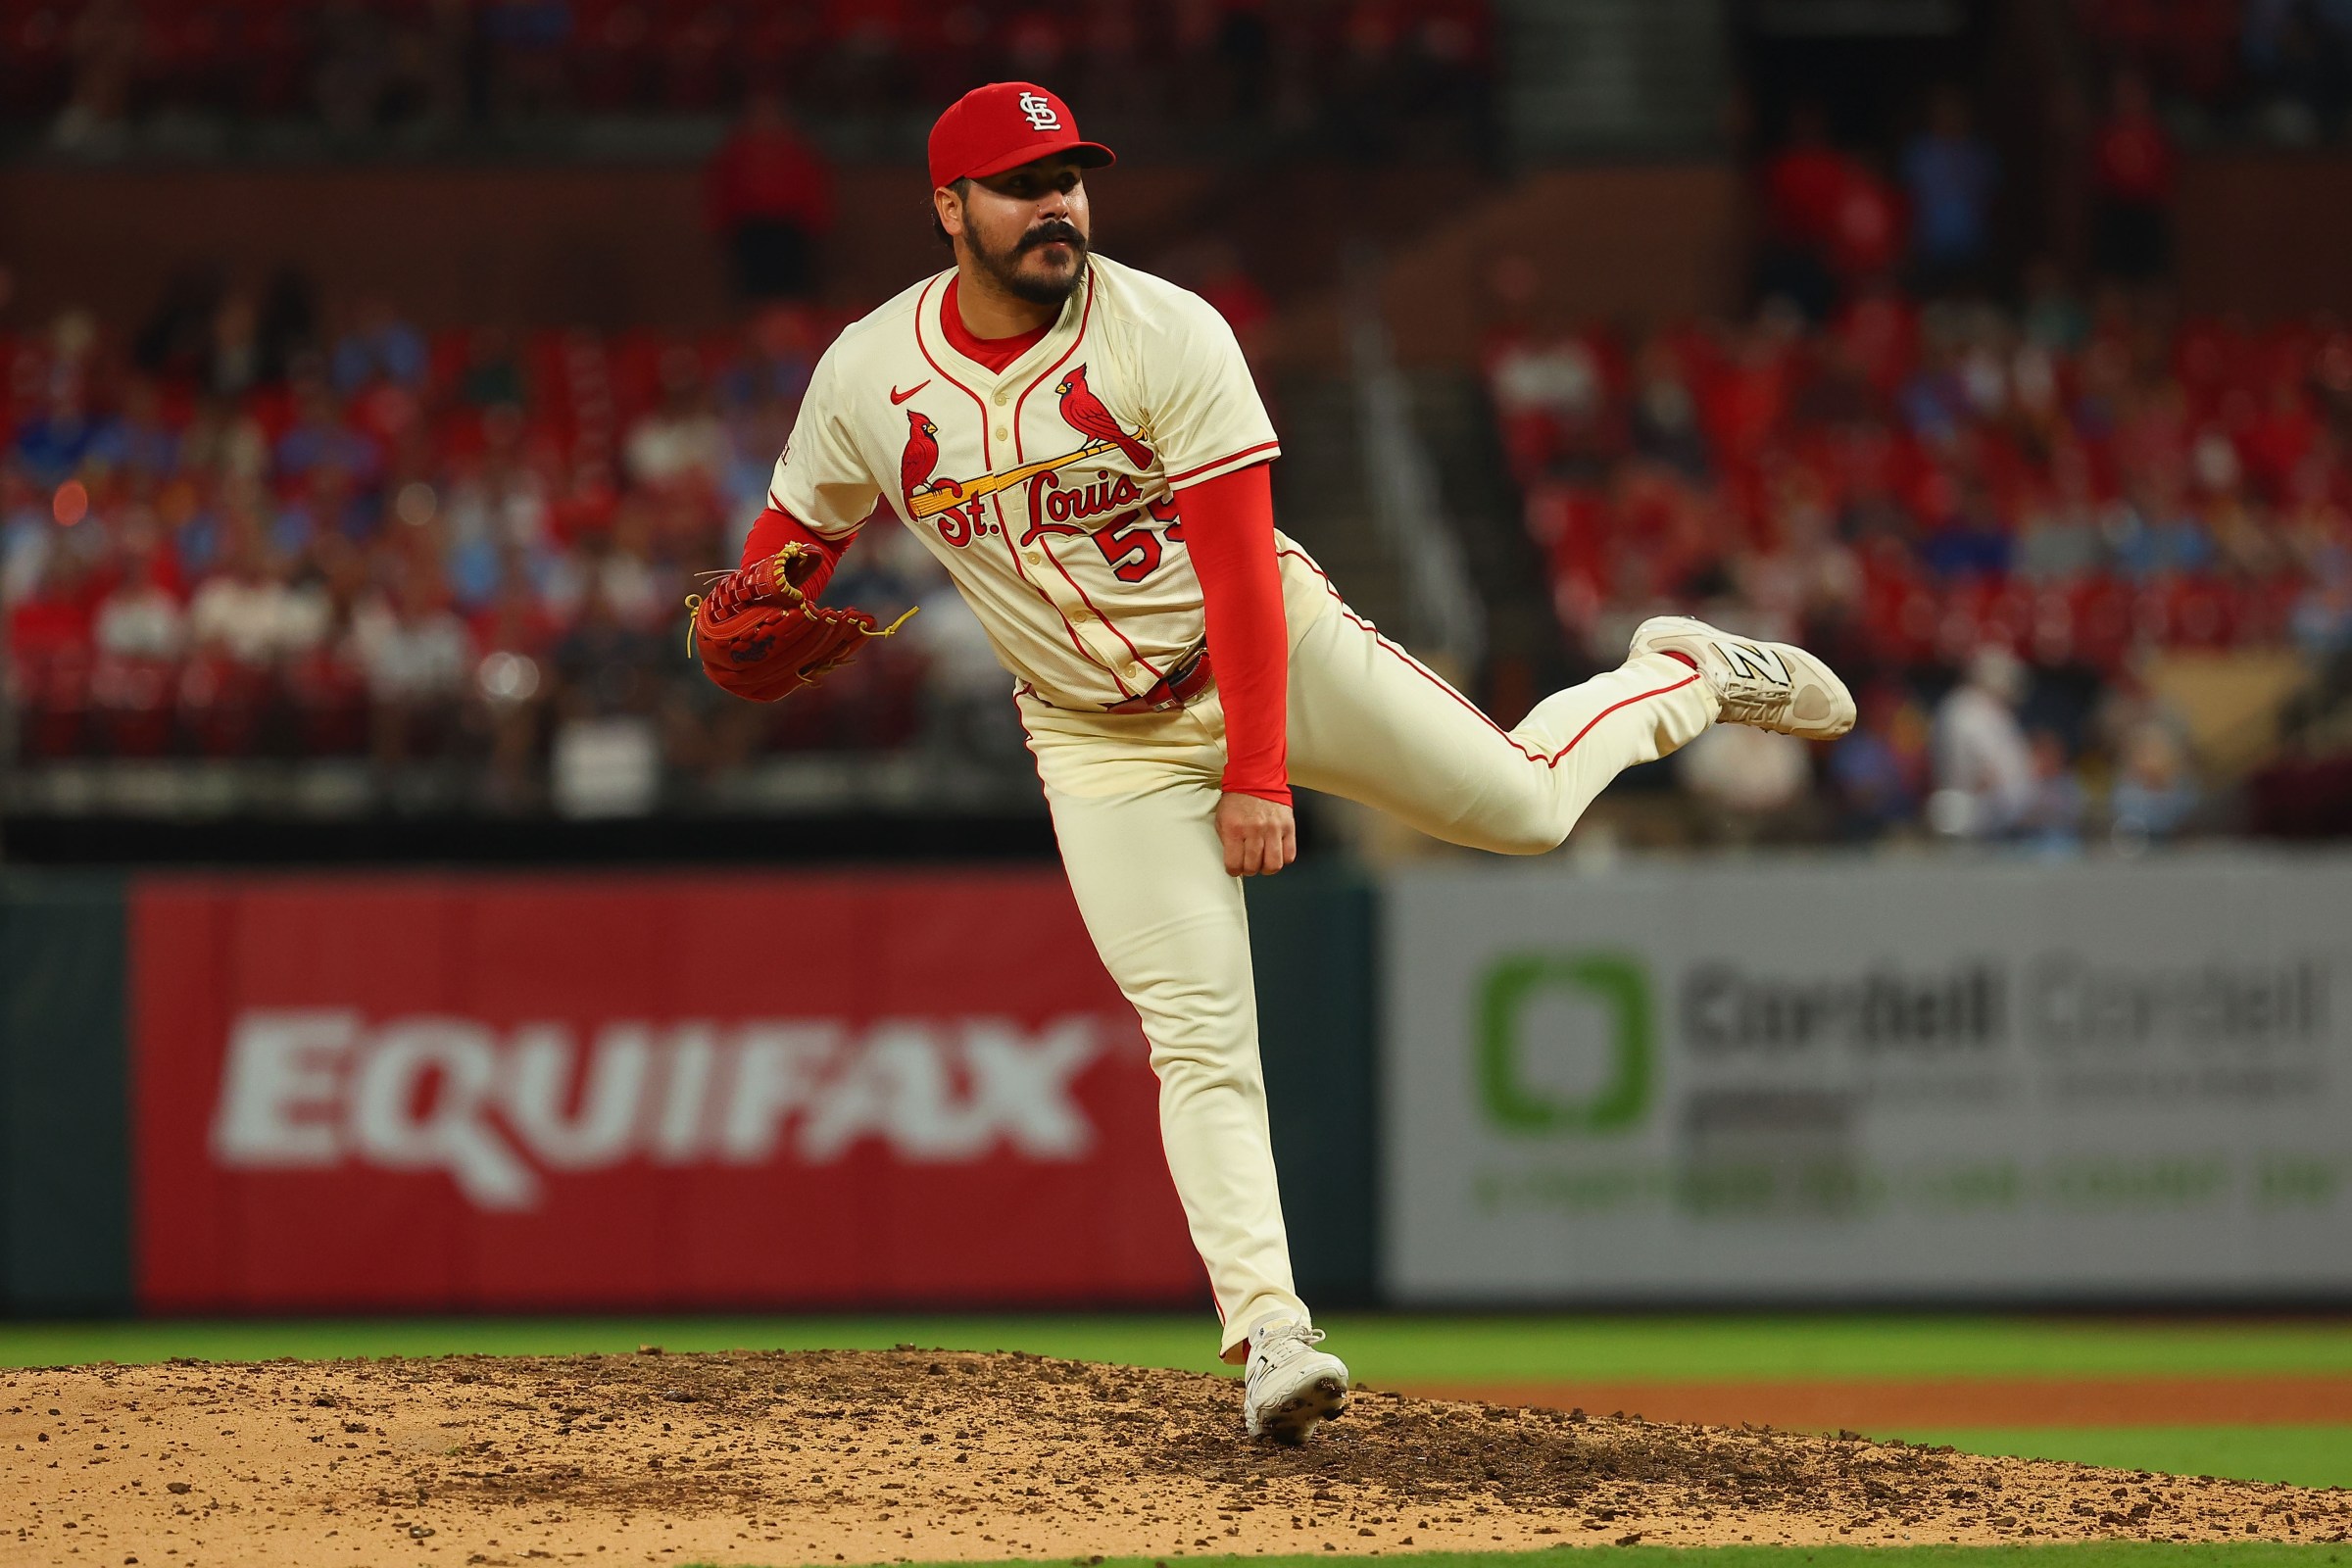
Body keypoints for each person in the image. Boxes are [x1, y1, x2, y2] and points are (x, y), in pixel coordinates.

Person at [688, 81, 1858, 1443]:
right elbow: (791, 542)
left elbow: (1242, 572)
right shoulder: (870, 374)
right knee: (1196, 1035)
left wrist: (1256, 772)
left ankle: (1681, 674)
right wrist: (751, 601)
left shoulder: (1167, 333)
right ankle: (1272, 1335)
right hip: (1090, 732)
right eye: (1021, 183)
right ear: (949, 210)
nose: (1057, 202)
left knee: (1527, 809)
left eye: (1070, 176)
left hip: (1267, 653)